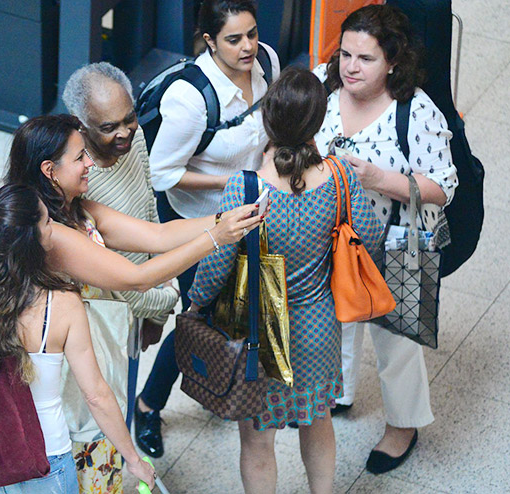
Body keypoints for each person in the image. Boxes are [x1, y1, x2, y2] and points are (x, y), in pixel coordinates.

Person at [4, 113, 262, 489]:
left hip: (93, 347)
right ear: (50, 170)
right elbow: (138, 279)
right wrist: (216, 239)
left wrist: (225, 219)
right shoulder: (53, 235)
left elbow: (156, 236)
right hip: (68, 371)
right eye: (79, 157)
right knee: (86, 443)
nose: (90, 162)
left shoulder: (75, 208)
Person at [188, 67, 383, 494]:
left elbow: (217, 263)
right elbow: (368, 235)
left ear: (266, 119)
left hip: (259, 334)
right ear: (319, 122)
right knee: (317, 419)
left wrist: (197, 304)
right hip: (318, 329)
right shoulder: (340, 178)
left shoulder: (246, 189)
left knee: (258, 438)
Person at [0, 184, 156, 493]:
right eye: (47, 221)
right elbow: (96, 395)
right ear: (32, 240)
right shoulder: (62, 305)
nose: (54, 228)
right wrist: (133, 459)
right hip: (46, 459)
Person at [312, 4, 458, 474]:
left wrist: (381, 178)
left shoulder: (415, 110)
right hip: (330, 231)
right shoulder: (321, 84)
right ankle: (341, 390)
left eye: (365, 59)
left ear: (393, 61)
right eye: (345, 54)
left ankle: (404, 425)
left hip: (395, 239)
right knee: (336, 317)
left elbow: (444, 187)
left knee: (396, 337)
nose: (350, 67)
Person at [139, 0, 281, 458]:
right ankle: (147, 405)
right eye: (234, 39)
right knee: (197, 317)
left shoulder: (268, 62)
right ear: (209, 41)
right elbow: (163, 174)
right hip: (194, 220)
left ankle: (219, 379)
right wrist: (233, 182)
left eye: (252, 33)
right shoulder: (190, 98)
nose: (249, 47)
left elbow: (270, 130)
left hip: (250, 212)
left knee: (231, 309)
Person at [62, 63, 179, 430]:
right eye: (108, 127)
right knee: (98, 413)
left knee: (123, 402)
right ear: (80, 126)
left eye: (128, 118)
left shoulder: (136, 138)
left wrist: (155, 306)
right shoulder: (77, 182)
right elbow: (109, 282)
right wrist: (164, 302)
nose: (124, 132)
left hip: (142, 296)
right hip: (103, 312)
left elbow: (149, 210)